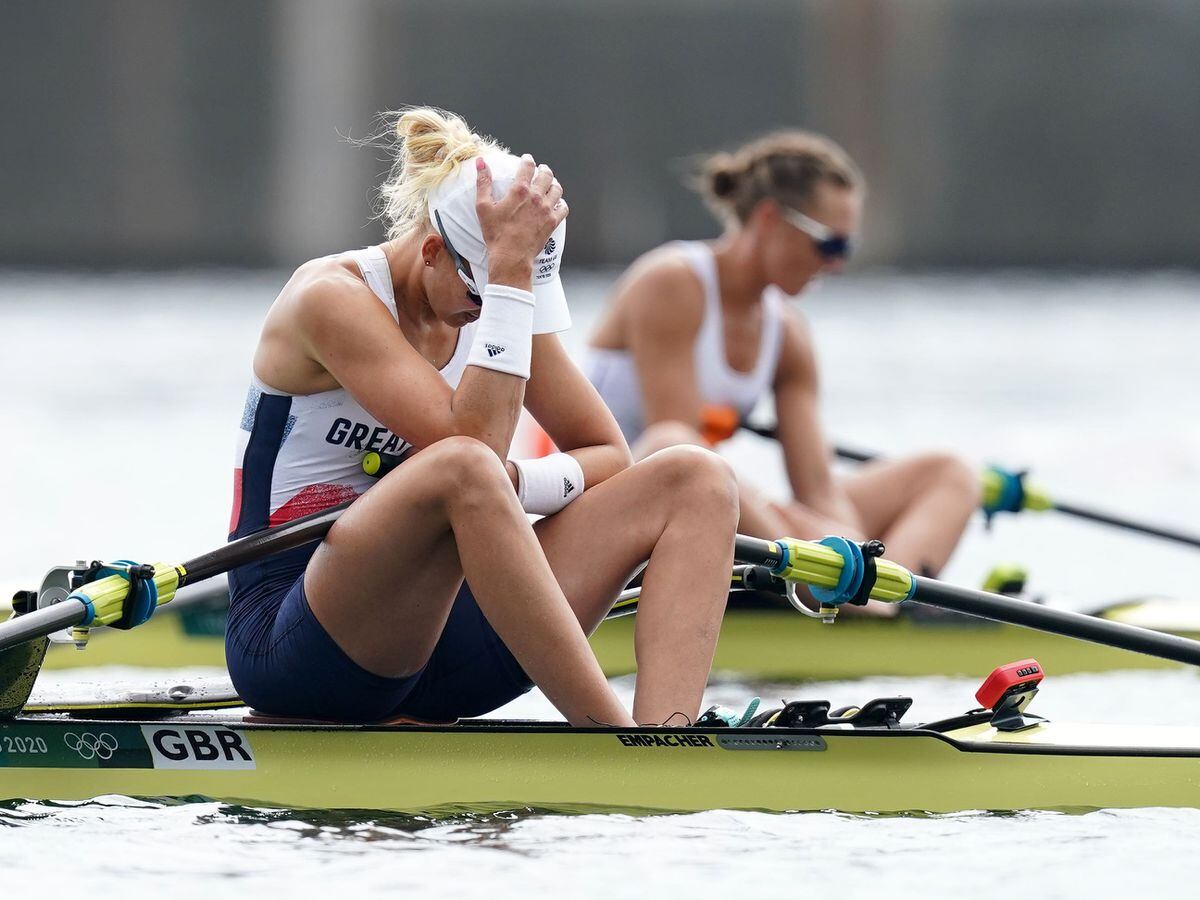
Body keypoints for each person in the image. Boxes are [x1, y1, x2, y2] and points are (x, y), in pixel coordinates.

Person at [226, 108, 739, 728]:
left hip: (447, 644)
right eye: (490, 292)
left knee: (695, 479)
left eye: (518, 292)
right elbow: (472, 449)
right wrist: (508, 289)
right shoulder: (331, 299)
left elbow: (608, 453)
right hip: (300, 643)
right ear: (433, 251)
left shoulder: (492, 301)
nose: (495, 310)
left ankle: (671, 736)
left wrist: (513, 486)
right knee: (463, 465)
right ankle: (615, 739)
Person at [586, 131, 978, 611]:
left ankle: (884, 599)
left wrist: (842, 536)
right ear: (770, 218)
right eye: (828, 243)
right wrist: (811, 536)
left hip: (712, 511)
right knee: (672, 443)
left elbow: (817, 487)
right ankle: (846, 595)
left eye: (846, 249)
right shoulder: (671, 283)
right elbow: (682, 458)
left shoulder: (788, 333)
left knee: (949, 474)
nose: (835, 265)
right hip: (610, 515)